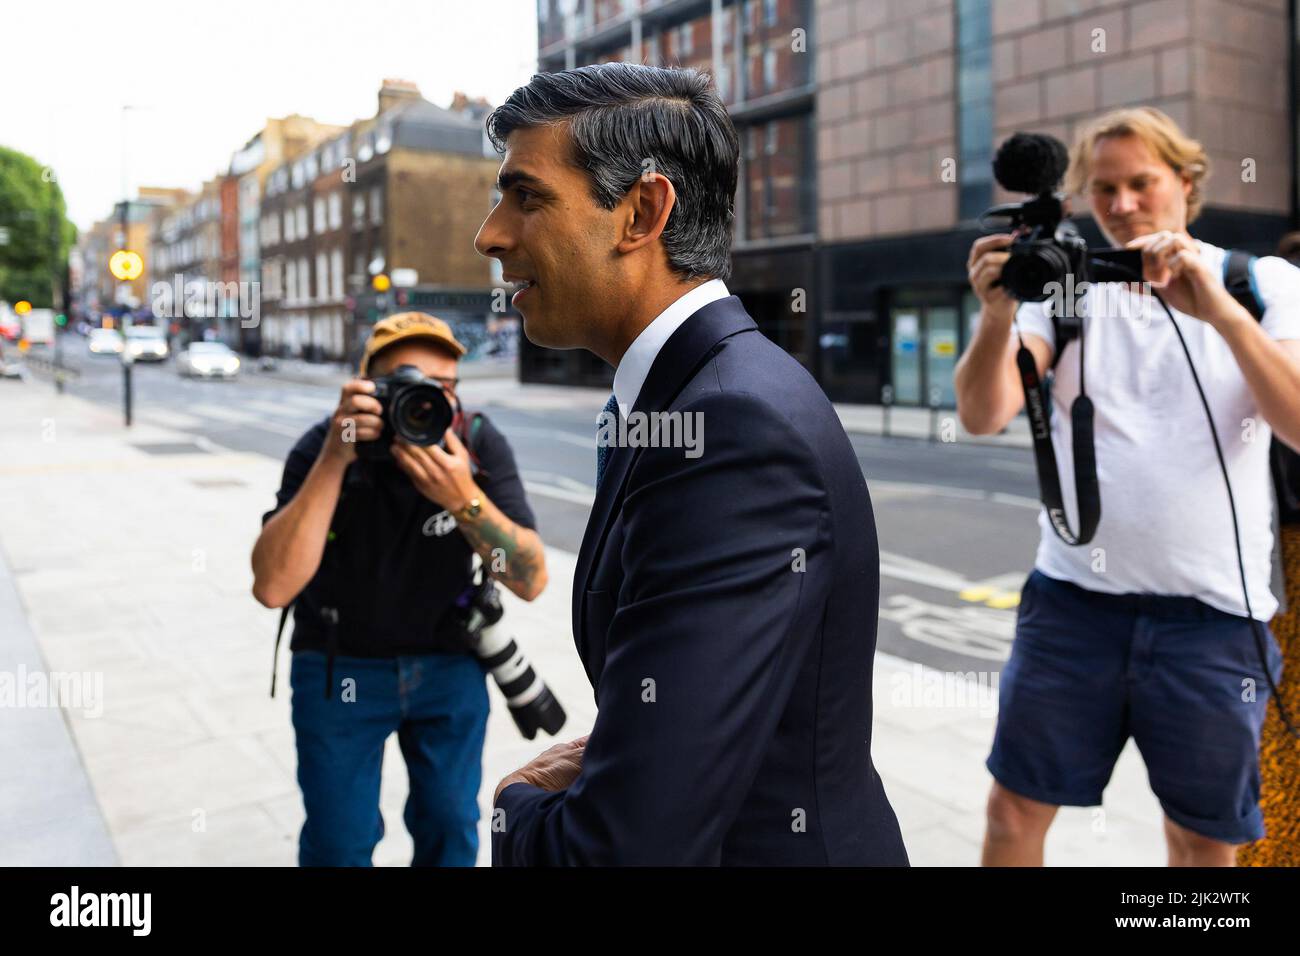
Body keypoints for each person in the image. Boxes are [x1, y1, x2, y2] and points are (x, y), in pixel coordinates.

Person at [474, 62, 907, 866]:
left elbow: (621, 852)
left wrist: (515, 807)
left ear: (641, 211)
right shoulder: (686, 397)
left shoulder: (729, 426)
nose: (491, 233)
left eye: (525, 196)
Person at [955, 106, 1300, 866]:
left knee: (1202, 839)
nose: (1122, 204)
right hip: (1074, 606)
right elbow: (982, 415)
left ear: (1185, 181)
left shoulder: (1260, 282)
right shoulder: (1065, 287)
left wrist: (1221, 315)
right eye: (1104, 189)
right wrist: (995, 315)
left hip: (1213, 619)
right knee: (1013, 814)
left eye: (1141, 183)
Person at [251, 311, 548, 866]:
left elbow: (530, 580)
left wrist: (464, 498)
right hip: (340, 668)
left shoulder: (475, 443)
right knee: (339, 843)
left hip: (449, 666)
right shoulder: (324, 447)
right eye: (408, 386)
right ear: (367, 390)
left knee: (451, 829)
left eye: (445, 389)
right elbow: (272, 586)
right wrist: (337, 457)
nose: (428, 403)